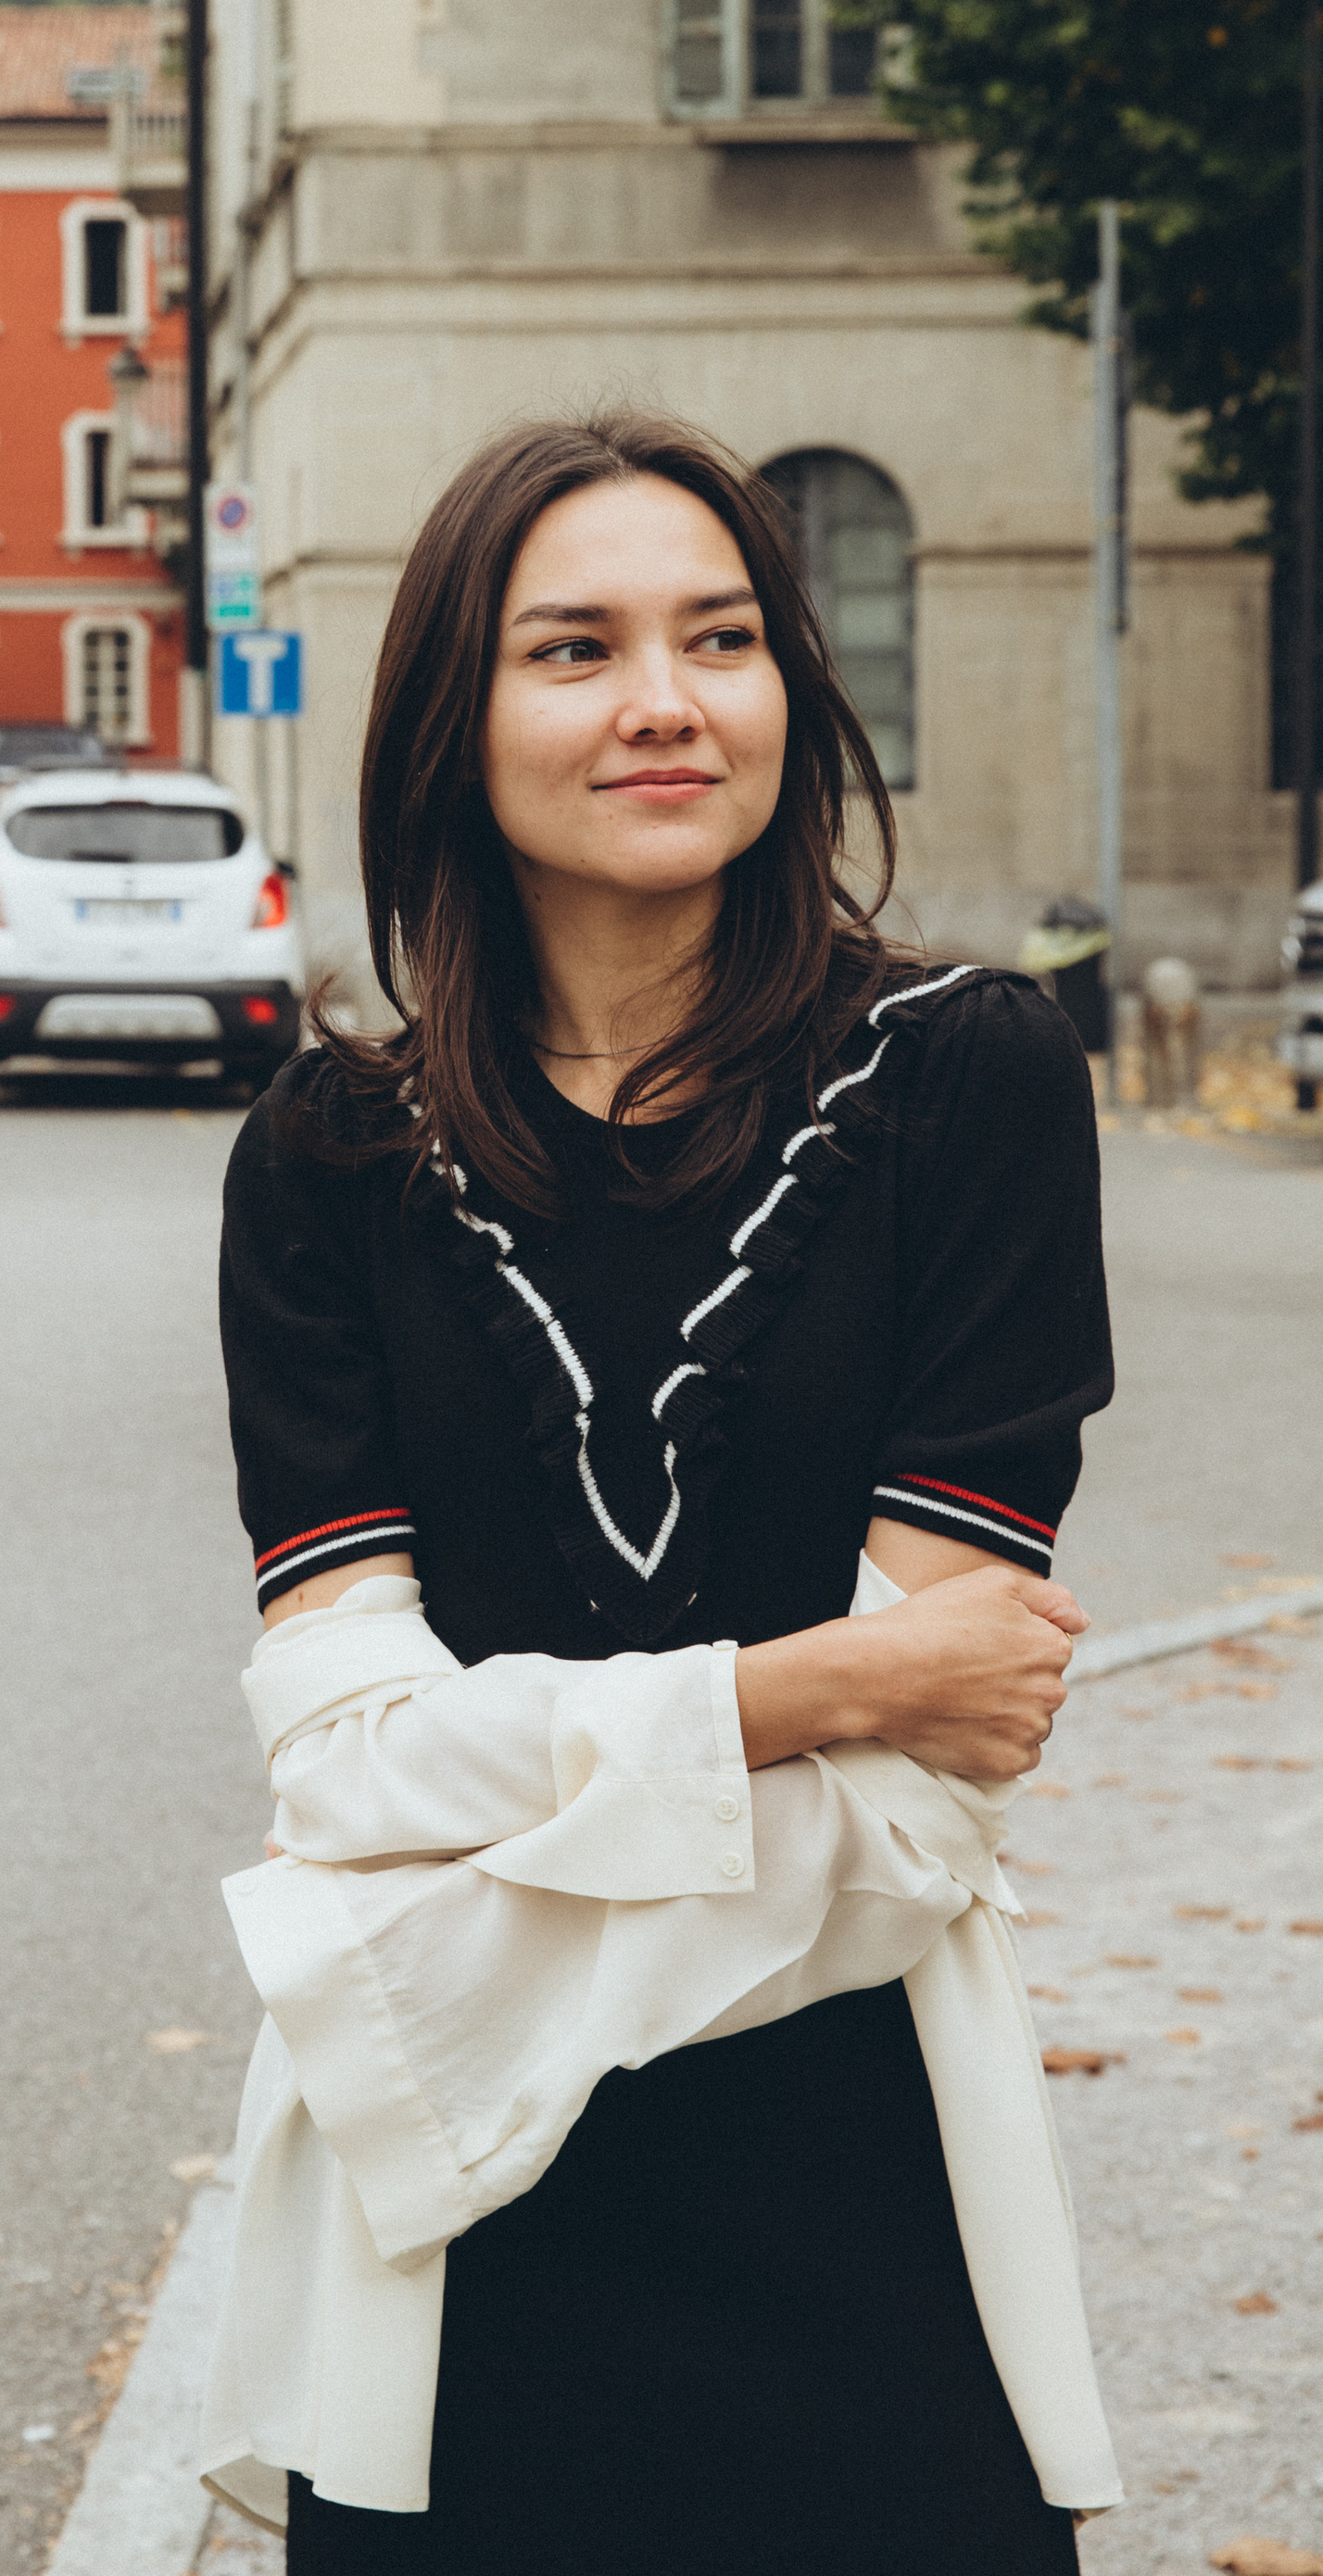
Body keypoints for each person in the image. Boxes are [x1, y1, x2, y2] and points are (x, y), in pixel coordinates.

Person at [213, 411, 1116, 2575]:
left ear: (788, 694)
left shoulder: (964, 1085)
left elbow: (921, 1810)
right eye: (571, 648)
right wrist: (808, 1684)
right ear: (455, 715)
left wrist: (472, 1843)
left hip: (850, 2188)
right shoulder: (326, 1162)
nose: (657, 701)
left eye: (717, 636)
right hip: (451, 2256)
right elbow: (340, 1773)